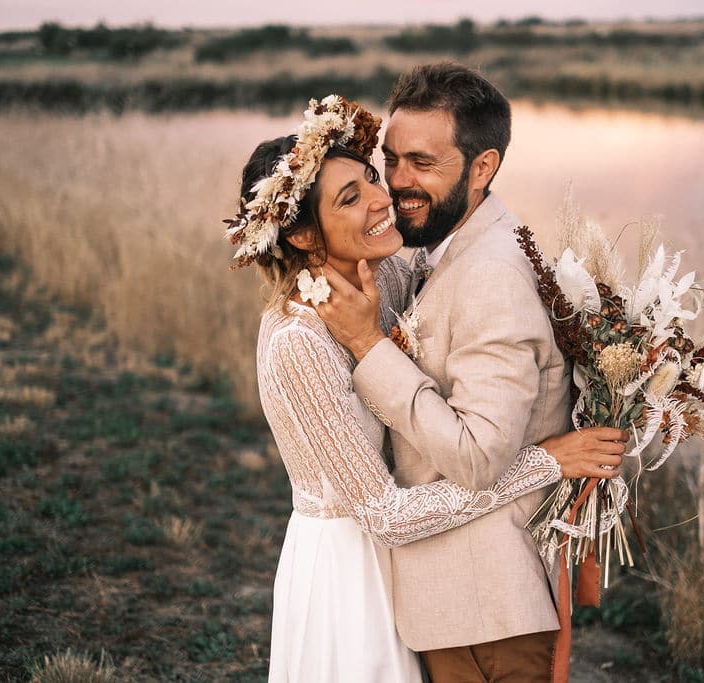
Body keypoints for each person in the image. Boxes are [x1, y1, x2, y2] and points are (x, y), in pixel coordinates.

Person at [225, 95, 627, 682]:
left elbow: (469, 279)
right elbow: (383, 515)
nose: (381, 197)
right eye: (350, 198)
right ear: (307, 237)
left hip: (416, 568)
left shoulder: (384, 271)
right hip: (349, 572)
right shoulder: (297, 344)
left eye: (370, 177)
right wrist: (545, 461)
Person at [316, 64, 590, 682]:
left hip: (489, 614)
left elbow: (476, 457)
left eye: (421, 163)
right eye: (390, 160)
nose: (395, 184)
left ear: (482, 167)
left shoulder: (491, 274)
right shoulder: (444, 248)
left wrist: (366, 344)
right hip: (456, 607)